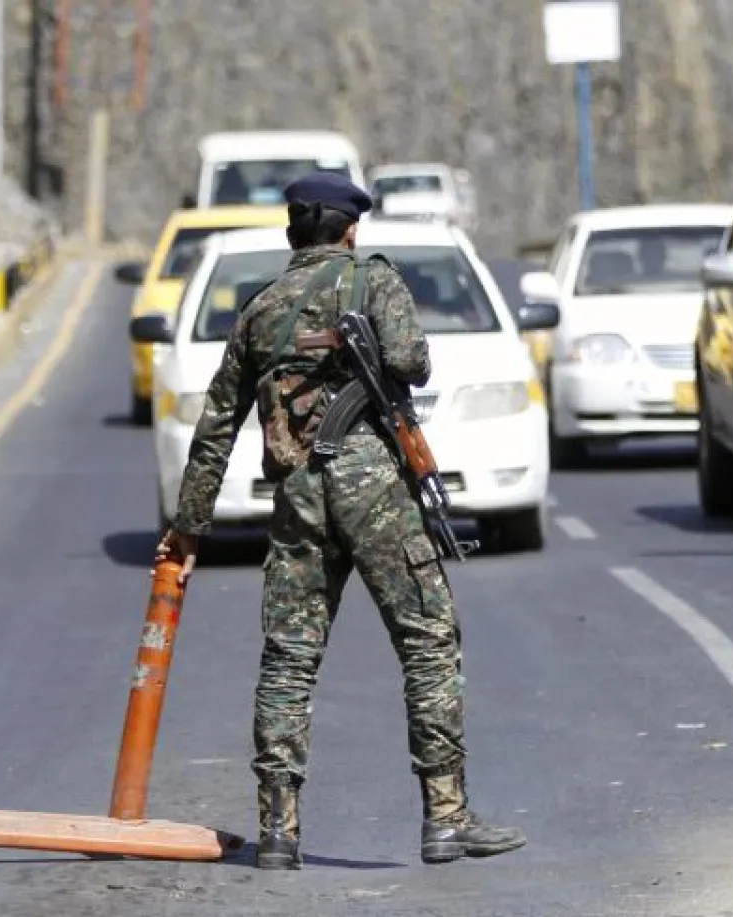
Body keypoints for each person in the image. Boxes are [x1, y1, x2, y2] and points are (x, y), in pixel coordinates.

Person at [153, 171, 526, 871]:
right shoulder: (372, 280)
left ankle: (278, 830)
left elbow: (217, 424)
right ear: (351, 230)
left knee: (289, 659)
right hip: (375, 488)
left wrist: (189, 529)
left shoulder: (261, 309)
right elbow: (412, 361)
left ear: (292, 231)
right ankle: (445, 818)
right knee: (428, 641)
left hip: (299, 492)